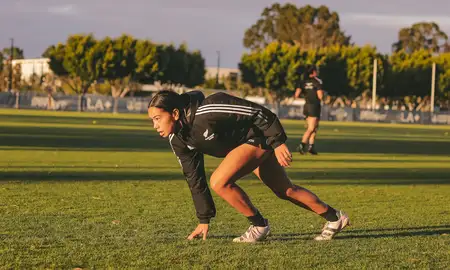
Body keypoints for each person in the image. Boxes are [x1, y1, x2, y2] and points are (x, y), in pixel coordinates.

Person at [147, 89, 349, 243]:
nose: (155, 126)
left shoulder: (209, 109)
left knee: (219, 181)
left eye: (157, 119)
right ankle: (335, 217)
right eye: (152, 120)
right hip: (245, 147)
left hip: (258, 138)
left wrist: (277, 142)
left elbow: (258, 112)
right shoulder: (178, 140)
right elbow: (194, 177)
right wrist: (204, 218)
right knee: (285, 190)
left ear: (174, 113)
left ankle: (259, 226)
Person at [294, 66, 324, 155]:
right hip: (314, 106)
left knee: (314, 127)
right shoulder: (317, 82)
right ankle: (302, 145)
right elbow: (320, 96)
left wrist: (307, 95)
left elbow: (296, 94)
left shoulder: (303, 82)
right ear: (314, 72)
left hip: (307, 106)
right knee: (311, 128)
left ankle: (311, 147)